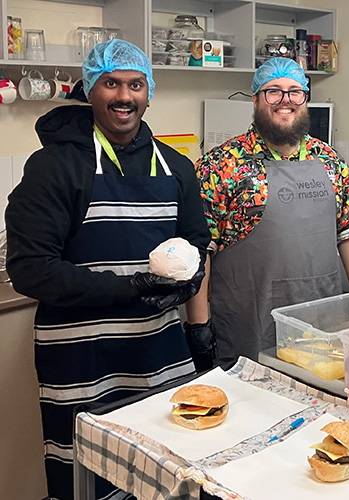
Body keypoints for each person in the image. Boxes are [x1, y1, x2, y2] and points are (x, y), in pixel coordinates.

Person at [4, 39, 210, 500]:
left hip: (158, 351)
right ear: (89, 90)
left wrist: (188, 288)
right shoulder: (54, 167)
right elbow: (31, 271)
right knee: (87, 474)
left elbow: (198, 243)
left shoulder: (176, 167)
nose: (124, 96)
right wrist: (133, 286)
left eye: (135, 85)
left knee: (165, 466)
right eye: (110, 83)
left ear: (149, 92)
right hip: (80, 357)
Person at [187, 57, 349, 365]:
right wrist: (198, 325)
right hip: (249, 321)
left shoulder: (330, 160)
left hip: (321, 319)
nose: (285, 100)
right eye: (273, 91)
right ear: (255, 99)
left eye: (295, 91)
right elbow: (200, 249)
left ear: (305, 100)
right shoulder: (220, 165)